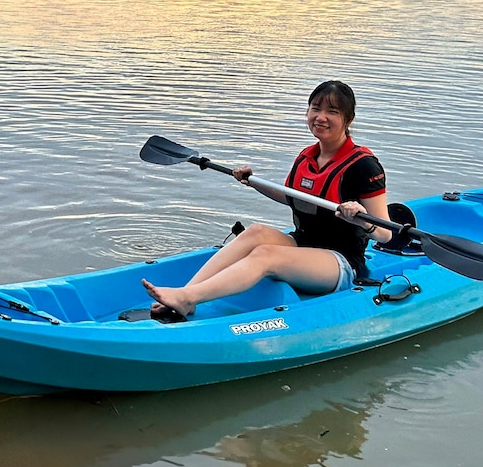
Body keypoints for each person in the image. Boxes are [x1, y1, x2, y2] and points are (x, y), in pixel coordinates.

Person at [143, 80, 392, 319]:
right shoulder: (307, 157)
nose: (321, 117)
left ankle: (188, 297)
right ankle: (187, 293)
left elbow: (385, 233)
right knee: (255, 232)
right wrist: (252, 181)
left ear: (347, 119)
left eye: (332, 111)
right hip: (303, 243)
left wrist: (360, 218)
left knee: (266, 254)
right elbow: (291, 197)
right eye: (315, 108)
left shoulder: (364, 166)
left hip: (341, 261)